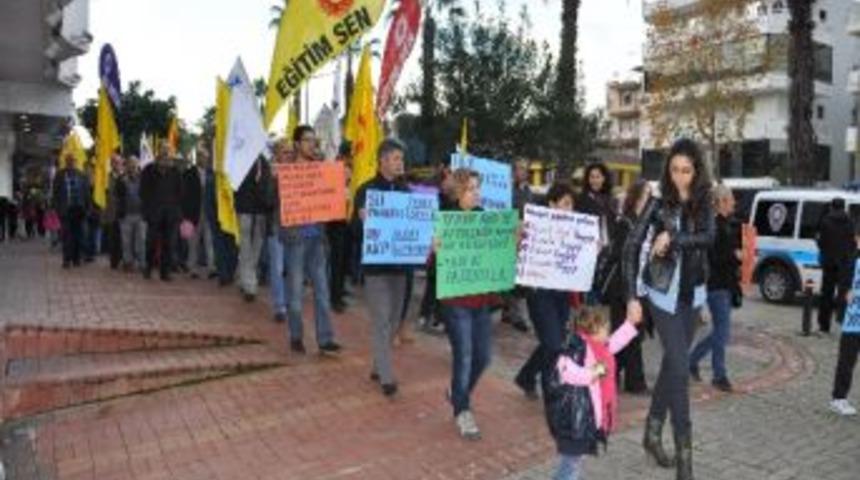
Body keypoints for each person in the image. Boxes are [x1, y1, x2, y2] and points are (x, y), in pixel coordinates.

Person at [623, 139, 714, 480]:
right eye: (674, 170)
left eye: (686, 171)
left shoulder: (704, 201)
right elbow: (631, 247)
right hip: (661, 297)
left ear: (697, 170)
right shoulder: (658, 203)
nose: (680, 178)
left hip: (692, 297)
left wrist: (672, 238)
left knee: (672, 368)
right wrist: (632, 296)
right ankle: (686, 466)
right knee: (679, 369)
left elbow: (709, 237)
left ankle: (651, 432)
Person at [437, 168, 505, 440]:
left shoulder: (486, 219)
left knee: (483, 357)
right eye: (470, 189)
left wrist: (510, 242)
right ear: (457, 192)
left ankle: (457, 392)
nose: (476, 193)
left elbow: (498, 255)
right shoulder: (446, 220)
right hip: (455, 302)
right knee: (463, 355)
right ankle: (462, 410)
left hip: (481, 300)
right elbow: (432, 264)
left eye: (478, 188)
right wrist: (435, 249)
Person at [545, 308, 641, 480]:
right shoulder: (576, 349)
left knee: (573, 461)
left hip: (583, 420)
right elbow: (571, 373)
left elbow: (616, 342)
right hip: (573, 420)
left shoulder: (598, 347)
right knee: (571, 464)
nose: (608, 331)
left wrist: (630, 324)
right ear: (593, 329)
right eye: (605, 327)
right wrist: (598, 370)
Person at [353, 138, 410, 397]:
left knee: (394, 318)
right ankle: (387, 377)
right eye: (396, 158)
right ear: (383, 161)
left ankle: (378, 364)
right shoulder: (365, 192)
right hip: (376, 269)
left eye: (401, 159)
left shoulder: (406, 192)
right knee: (381, 321)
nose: (400, 163)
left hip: (400, 268)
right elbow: (353, 231)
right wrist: (361, 219)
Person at [283, 125, 342, 355]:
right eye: (307, 140)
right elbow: (271, 202)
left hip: (317, 239)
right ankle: (296, 335)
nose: (312, 145)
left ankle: (325, 339)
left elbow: (331, 201)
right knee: (296, 296)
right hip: (295, 240)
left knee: (322, 292)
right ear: (297, 143)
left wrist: (338, 181)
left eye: (314, 141)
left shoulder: (320, 169)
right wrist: (273, 181)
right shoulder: (285, 172)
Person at [514, 181, 576, 398]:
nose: (569, 209)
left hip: (561, 294)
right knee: (553, 342)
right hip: (539, 292)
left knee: (556, 341)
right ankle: (550, 388)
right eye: (565, 203)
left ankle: (527, 376)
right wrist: (519, 236)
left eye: (571, 205)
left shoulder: (576, 230)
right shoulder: (536, 225)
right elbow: (520, 250)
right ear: (552, 204)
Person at [690, 184, 741, 393]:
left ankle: (690, 361)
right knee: (722, 332)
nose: (734, 203)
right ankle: (719, 375)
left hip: (726, 284)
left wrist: (738, 258)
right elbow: (714, 258)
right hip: (716, 284)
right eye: (730, 200)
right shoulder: (713, 226)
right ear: (720, 202)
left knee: (721, 332)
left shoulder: (727, 224)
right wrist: (734, 256)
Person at [604, 179, 652, 394]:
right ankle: (634, 382)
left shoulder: (647, 223)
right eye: (645, 195)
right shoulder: (626, 223)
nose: (650, 200)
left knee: (631, 334)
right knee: (629, 334)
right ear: (635, 198)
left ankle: (609, 373)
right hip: (623, 288)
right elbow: (621, 257)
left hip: (640, 288)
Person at [234, 151, 275, 301]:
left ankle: (244, 276)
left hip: (261, 211)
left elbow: (269, 186)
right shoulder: (239, 159)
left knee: (256, 248)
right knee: (245, 247)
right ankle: (250, 284)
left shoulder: (265, 162)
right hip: (244, 209)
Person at [576, 162, 618, 306]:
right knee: (589, 287)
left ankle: (597, 318)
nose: (594, 180)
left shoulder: (611, 199)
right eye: (591, 177)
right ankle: (588, 317)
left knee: (602, 286)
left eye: (598, 177)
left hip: (607, 250)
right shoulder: (581, 199)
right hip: (588, 251)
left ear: (604, 178)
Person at [140, 145, 183, 281]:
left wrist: (176, 208)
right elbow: (143, 192)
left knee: (169, 244)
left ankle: (165, 272)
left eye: (167, 154)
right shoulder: (148, 170)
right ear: (158, 156)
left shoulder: (175, 172)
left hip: (171, 215)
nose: (165, 157)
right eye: (163, 154)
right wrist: (147, 209)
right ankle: (148, 267)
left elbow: (181, 192)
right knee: (151, 243)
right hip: (153, 214)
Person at [501, 157, 533, 333]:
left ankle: (515, 314)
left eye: (525, 168)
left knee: (518, 279)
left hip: (521, 239)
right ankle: (510, 312)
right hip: (506, 237)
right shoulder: (506, 189)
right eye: (519, 168)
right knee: (507, 277)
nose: (523, 171)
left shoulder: (528, 191)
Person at [816, 198, 855, 334]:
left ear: (832, 207)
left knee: (826, 294)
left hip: (829, 263)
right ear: (843, 207)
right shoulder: (850, 222)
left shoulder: (826, 221)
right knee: (844, 294)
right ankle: (846, 324)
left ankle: (824, 326)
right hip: (845, 263)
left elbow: (820, 243)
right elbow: (852, 243)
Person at [52, 154, 90, 268]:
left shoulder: (81, 175)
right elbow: (56, 193)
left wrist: (87, 208)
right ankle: (66, 259)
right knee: (67, 235)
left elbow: (86, 193)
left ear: (76, 162)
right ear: (66, 162)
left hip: (79, 209)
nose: (71, 163)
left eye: (73, 161)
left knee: (78, 235)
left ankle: (76, 259)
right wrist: (57, 209)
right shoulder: (60, 175)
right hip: (66, 209)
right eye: (69, 161)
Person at [116, 156, 146, 272]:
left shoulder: (144, 178)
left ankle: (142, 263)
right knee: (126, 241)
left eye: (134, 163)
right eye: (130, 163)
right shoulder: (121, 179)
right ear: (127, 165)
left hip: (141, 214)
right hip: (126, 214)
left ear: (138, 164)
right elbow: (117, 196)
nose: (132, 166)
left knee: (141, 240)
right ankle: (128, 262)